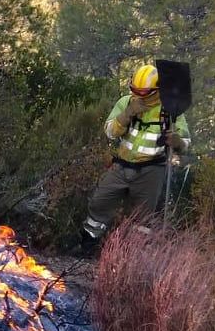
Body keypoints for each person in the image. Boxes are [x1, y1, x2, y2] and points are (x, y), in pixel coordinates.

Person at [81, 64, 190, 243]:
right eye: (134, 90)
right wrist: (128, 113)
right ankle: (88, 242)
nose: (138, 95)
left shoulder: (171, 110)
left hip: (151, 170)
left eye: (143, 92)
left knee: (143, 218)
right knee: (99, 202)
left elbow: (185, 143)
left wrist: (177, 141)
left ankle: (130, 254)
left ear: (156, 91)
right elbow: (110, 132)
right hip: (122, 166)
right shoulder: (126, 102)